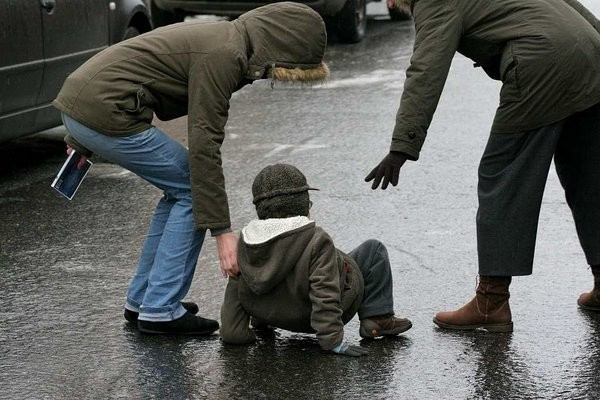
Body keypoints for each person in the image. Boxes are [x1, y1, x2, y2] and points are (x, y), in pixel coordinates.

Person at [52, 2, 329, 335]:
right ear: (280, 47)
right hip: (104, 112)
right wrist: (223, 232)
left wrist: (80, 136)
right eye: (279, 69)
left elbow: (123, 68)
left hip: (84, 107)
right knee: (191, 187)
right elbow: (204, 144)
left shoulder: (226, 38)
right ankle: (160, 308)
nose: (272, 76)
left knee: (180, 188)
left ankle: (144, 300)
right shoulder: (225, 55)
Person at [366, 0, 600, 331]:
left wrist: (401, 147)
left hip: (540, 61)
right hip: (590, 53)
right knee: (589, 175)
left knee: (503, 176)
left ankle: (491, 301)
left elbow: (427, 69)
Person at [220, 163, 412, 356]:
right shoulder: (317, 241)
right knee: (373, 249)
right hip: (312, 318)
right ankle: (377, 318)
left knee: (272, 269)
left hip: (270, 313)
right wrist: (333, 341)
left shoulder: (245, 242)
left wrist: (237, 334)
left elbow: (234, 314)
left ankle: (262, 322)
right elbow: (325, 294)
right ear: (302, 202)